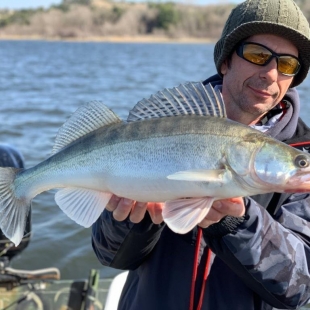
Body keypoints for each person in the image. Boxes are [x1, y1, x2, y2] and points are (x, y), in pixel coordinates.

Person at [92, 0, 310, 309]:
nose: (271, 73)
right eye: (258, 55)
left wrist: (238, 223)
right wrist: (130, 222)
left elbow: (299, 288)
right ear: (225, 61)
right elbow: (110, 255)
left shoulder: (303, 155)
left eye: (287, 64)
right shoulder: (164, 126)